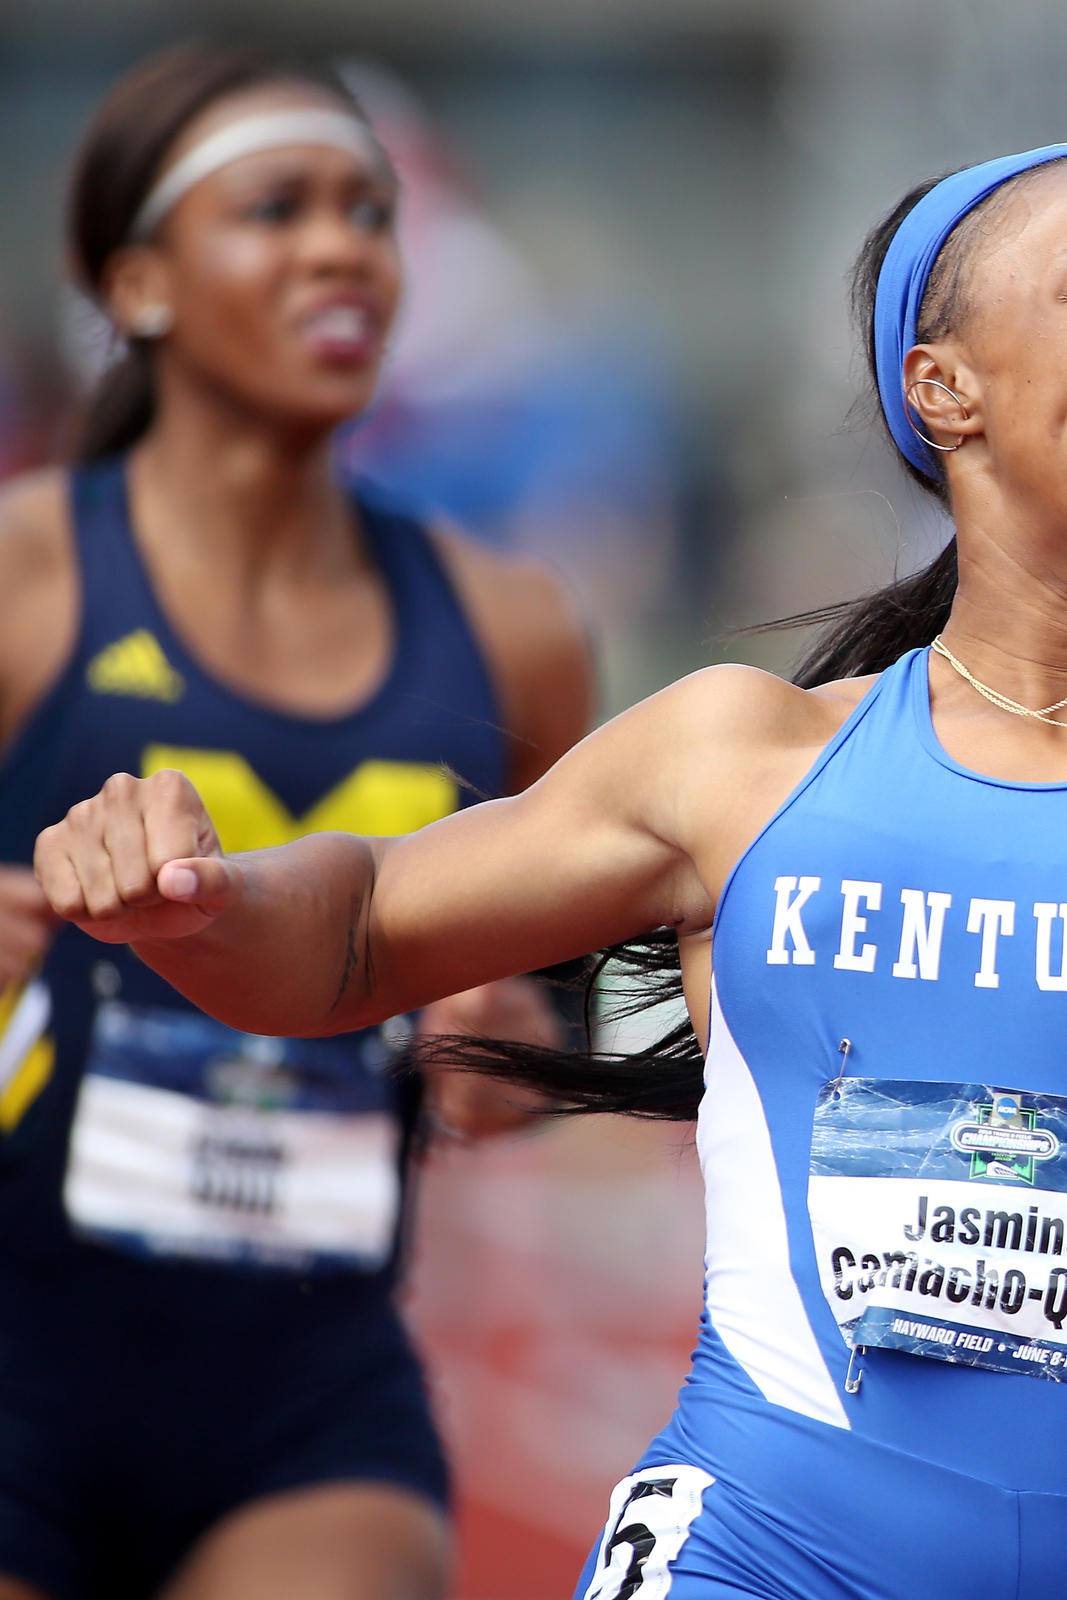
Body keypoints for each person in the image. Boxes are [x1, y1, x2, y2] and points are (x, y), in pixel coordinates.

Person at [32, 140, 1067, 1600]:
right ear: (942, 388)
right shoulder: (742, 762)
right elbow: (362, 930)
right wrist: (200, 903)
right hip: (759, 1552)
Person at [0, 42, 591, 1600]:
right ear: (139, 284)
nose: (344, 248)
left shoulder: (514, 629)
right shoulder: (25, 578)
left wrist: (511, 1041)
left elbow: (584, 1002)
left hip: (305, 1388)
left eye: (372, 214)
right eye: (278, 209)